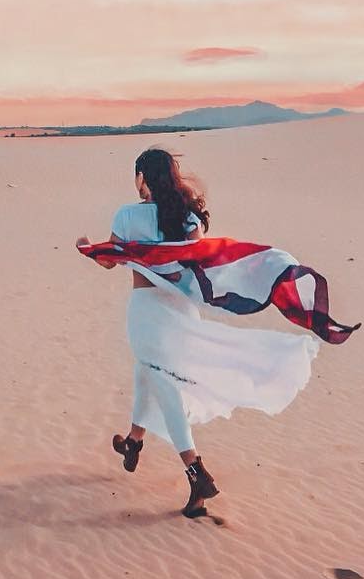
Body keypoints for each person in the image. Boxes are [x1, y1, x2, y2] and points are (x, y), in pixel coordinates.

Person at [76, 146, 322, 519]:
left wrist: (87, 249)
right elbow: (193, 261)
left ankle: (195, 471)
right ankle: (133, 441)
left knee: (162, 381)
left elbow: (110, 260)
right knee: (147, 372)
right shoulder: (189, 218)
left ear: (143, 178)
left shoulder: (127, 216)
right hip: (182, 311)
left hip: (146, 311)